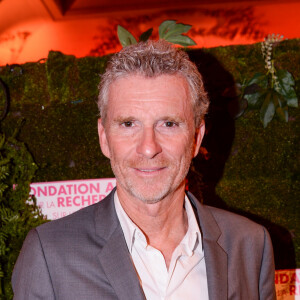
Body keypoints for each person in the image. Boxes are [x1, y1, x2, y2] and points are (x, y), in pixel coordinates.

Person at [12, 40, 275, 300]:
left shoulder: (249, 245)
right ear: (104, 137)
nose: (148, 148)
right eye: (128, 124)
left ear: (196, 137)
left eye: (169, 124)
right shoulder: (50, 254)